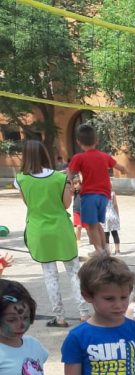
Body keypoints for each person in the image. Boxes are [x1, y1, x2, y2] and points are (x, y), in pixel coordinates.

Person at [14, 139, 89, 327]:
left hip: (39, 230)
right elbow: (66, 204)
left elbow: (28, 204)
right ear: (45, 154)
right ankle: (84, 313)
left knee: (49, 275)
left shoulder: (20, 179)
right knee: (74, 272)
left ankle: (60, 317)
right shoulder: (59, 178)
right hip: (61, 229)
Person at [67, 124, 126, 257]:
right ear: (97, 140)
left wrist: (70, 183)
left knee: (91, 225)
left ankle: (99, 251)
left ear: (78, 142)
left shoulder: (79, 158)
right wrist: (124, 170)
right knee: (97, 224)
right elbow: (120, 167)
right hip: (104, 196)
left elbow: (70, 172)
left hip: (89, 195)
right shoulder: (104, 156)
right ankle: (105, 249)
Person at [103, 189, 121, 255]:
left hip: (104, 215)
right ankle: (117, 250)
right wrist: (117, 215)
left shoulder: (101, 193)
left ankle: (107, 251)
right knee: (115, 233)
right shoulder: (112, 193)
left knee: (106, 234)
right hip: (112, 214)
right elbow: (115, 205)